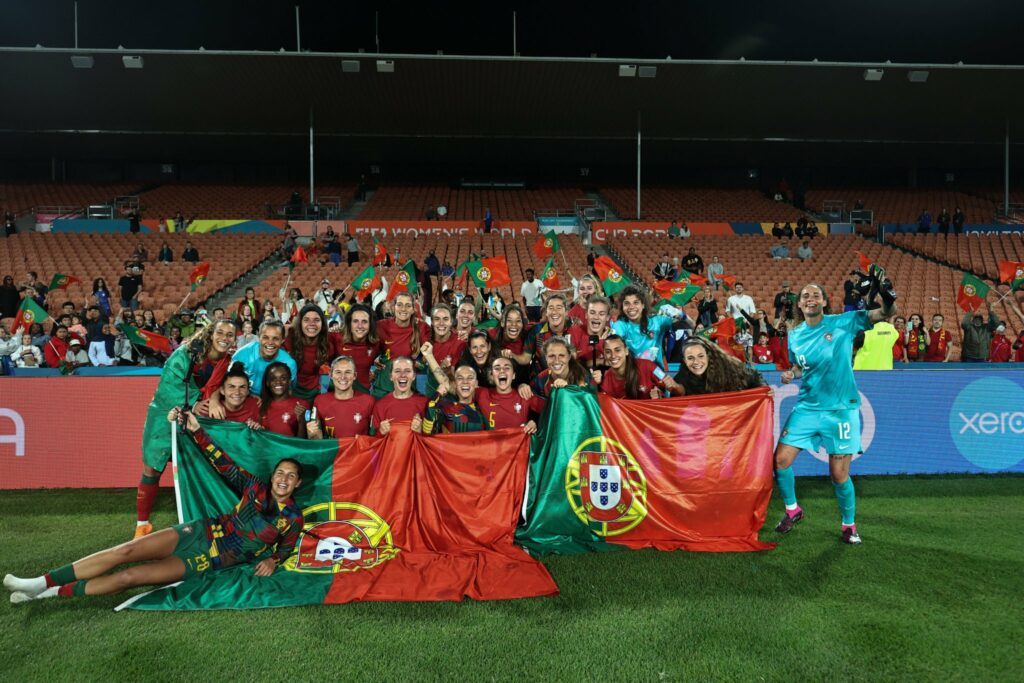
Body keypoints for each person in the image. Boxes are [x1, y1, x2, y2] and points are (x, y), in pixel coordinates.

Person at [4, 408, 303, 603]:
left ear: (297, 484)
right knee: (125, 551)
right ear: (272, 476)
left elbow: (287, 548)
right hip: (199, 531)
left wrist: (274, 560)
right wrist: (197, 430)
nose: (283, 479)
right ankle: (39, 581)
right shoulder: (253, 486)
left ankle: (51, 592)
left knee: (129, 577)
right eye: (280, 473)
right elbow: (221, 461)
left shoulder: (293, 517)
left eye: (290, 476)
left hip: (209, 560)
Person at [774, 273, 897, 545]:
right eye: (805, 295)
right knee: (781, 460)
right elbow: (798, 366)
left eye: (815, 294)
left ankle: (848, 525)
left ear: (825, 301)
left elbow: (885, 313)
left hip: (841, 410)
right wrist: (791, 374)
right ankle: (793, 510)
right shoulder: (794, 335)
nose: (810, 298)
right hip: (806, 408)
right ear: (799, 304)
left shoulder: (843, 322)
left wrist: (888, 299)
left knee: (839, 475)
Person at [132, 319, 237, 537]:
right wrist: (195, 403)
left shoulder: (226, 361)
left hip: (197, 416)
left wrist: (214, 399)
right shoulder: (187, 352)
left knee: (198, 466)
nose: (224, 338)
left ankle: (205, 519)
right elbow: (168, 386)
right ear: (210, 332)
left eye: (230, 335)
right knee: (152, 468)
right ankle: (142, 524)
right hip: (164, 413)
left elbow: (219, 386)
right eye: (221, 332)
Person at [611, 285, 688, 368]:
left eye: (636, 302)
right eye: (627, 303)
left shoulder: (657, 321)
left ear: (643, 305)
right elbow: (615, 346)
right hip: (632, 375)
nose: (631, 307)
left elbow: (690, 325)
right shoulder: (619, 325)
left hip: (656, 374)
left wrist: (680, 314)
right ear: (622, 306)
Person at [373, 292, 430, 398]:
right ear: (393, 307)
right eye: (399, 304)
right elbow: (367, 348)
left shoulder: (421, 327)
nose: (403, 309)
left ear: (413, 309)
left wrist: (419, 363)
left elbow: (433, 350)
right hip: (383, 387)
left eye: (408, 305)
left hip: (407, 387)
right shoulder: (381, 326)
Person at [521, 336, 595, 415]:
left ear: (569, 357)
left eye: (561, 355)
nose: (556, 361)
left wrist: (569, 390)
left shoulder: (584, 377)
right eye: (551, 356)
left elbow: (589, 409)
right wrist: (521, 386)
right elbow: (533, 409)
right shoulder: (540, 380)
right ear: (546, 358)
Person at [306, 356, 375, 439]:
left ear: (355, 375)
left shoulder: (368, 401)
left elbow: (375, 438)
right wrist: (312, 433)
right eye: (338, 372)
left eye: (348, 372)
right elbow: (316, 440)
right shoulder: (320, 401)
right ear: (330, 375)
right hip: (333, 451)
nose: (343, 377)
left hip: (358, 451)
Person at [223, 320, 297, 397]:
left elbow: (289, 391)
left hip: (274, 399)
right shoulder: (241, 355)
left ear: (282, 340)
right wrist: (250, 396)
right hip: (244, 397)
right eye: (265, 337)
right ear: (258, 336)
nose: (270, 342)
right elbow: (229, 385)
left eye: (275, 338)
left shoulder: (289, 364)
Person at [284, 304, 342, 401]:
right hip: (292, 392)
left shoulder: (330, 342)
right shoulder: (289, 339)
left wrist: (322, 396)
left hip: (317, 392)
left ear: (322, 323)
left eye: (316, 320)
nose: (312, 324)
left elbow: (325, 372)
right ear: (300, 323)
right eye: (306, 320)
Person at [670, 336, 764, 395]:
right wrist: (677, 391)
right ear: (684, 360)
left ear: (708, 356)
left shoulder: (727, 368)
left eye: (701, 356)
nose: (696, 362)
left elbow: (755, 375)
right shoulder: (681, 378)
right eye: (690, 358)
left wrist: (763, 388)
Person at [595, 335, 673, 399]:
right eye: (608, 352)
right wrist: (594, 385)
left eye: (617, 350)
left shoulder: (648, 366)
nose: (613, 355)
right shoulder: (604, 379)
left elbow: (674, 389)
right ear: (604, 355)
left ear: (626, 351)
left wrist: (659, 397)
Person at [421, 361, 489, 434]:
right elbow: (427, 431)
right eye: (460, 378)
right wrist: (438, 394)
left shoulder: (483, 409)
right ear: (455, 383)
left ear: (476, 384)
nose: (465, 382)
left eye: (470, 378)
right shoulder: (445, 408)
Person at [370, 356, 427, 435]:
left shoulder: (425, 403)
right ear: (391, 376)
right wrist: (380, 432)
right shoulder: (380, 406)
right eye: (397, 371)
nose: (402, 375)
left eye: (407, 371)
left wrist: (421, 432)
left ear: (414, 376)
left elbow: (433, 441)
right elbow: (372, 441)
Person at [421, 303, 466, 396]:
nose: (441, 323)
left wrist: (448, 372)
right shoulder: (425, 338)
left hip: (453, 392)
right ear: (432, 322)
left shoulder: (460, 341)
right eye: (437, 319)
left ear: (451, 322)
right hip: (431, 391)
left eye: (445, 319)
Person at [257, 362, 308, 437]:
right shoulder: (260, 405)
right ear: (267, 382)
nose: (278, 382)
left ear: (289, 381)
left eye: (283, 378)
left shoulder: (302, 404)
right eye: (273, 379)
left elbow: (303, 443)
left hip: (291, 448)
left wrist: (301, 422)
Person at [568, 295, 614, 369]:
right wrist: (600, 343)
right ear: (586, 315)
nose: (596, 317)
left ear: (607, 317)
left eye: (601, 314)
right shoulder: (575, 332)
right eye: (592, 313)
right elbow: (570, 364)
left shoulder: (613, 337)